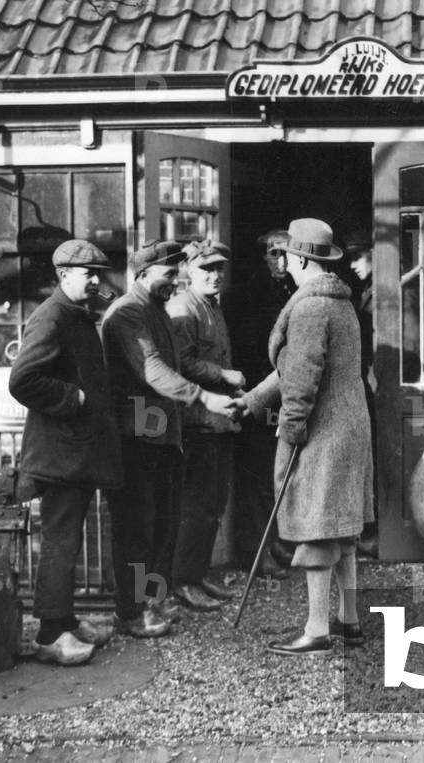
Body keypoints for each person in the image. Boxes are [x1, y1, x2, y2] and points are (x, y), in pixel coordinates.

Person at [243, 218, 373, 656]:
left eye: (287, 257)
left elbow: (301, 379)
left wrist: (290, 428)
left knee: (318, 528)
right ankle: (349, 620)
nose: (284, 263)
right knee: (342, 527)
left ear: (299, 258)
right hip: (350, 427)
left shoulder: (309, 307)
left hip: (321, 431)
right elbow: (294, 368)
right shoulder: (340, 302)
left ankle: (317, 629)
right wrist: (255, 399)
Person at [101, 239, 237, 635]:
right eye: (167, 273)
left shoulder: (155, 309)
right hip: (138, 438)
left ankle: (154, 601)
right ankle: (130, 611)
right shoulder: (128, 314)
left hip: (163, 437)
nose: (175, 279)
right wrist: (203, 397)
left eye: (177, 271)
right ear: (143, 275)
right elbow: (154, 371)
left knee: (162, 526)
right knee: (136, 530)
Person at [8, 239, 121, 666]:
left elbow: (109, 299)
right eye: (89, 273)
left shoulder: (74, 312)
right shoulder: (51, 317)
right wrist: (73, 398)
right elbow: (22, 381)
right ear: (63, 276)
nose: (97, 280)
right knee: (60, 541)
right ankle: (51, 635)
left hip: (75, 453)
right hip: (59, 457)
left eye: (99, 272)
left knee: (69, 540)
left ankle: (67, 620)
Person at [166, 240, 245, 612]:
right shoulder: (183, 308)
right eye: (206, 270)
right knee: (196, 505)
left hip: (219, 420)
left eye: (219, 270)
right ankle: (183, 581)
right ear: (188, 272)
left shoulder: (212, 306)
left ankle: (197, 575)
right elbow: (179, 363)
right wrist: (224, 375)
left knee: (213, 503)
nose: (215, 276)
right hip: (198, 421)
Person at [225, 229, 296, 578]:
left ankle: (278, 539)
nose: (280, 261)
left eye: (286, 254)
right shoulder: (247, 296)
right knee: (257, 475)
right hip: (257, 395)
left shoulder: (293, 290)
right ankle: (255, 550)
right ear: (263, 256)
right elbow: (250, 352)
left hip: (285, 395)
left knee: (280, 472)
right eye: (273, 254)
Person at [345, 231, 378, 557]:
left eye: (358, 257)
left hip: (376, 382)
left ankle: (377, 531)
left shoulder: (383, 293)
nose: (353, 265)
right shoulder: (367, 291)